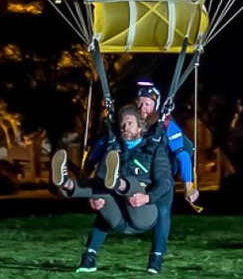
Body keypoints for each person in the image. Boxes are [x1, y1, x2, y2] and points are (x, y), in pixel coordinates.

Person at [52, 105, 172, 274]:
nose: (124, 127)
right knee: (102, 188)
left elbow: (165, 183)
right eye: (122, 124)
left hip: (143, 213)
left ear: (140, 126)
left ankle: (117, 183)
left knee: (129, 184)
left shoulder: (154, 149)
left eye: (129, 123)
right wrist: (93, 199)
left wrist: (148, 198)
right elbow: (98, 182)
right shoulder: (113, 150)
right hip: (117, 218)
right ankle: (66, 183)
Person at [133, 82, 201, 273]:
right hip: (136, 176)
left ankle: (156, 257)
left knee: (163, 212)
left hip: (161, 177)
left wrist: (189, 186)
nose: (142, 109)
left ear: (156, 105)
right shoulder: (129, 122)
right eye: (139, 103)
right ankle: (91, 253)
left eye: (147, 104)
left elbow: (183, 155)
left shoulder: (166, 125)